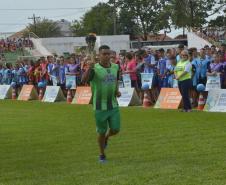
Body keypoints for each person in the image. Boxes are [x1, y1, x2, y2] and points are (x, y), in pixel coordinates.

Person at [82, 45, 121, 163]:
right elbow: (84, 80)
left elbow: (116, 80)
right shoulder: (95, 68)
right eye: (104, 54)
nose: (107, 56)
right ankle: (102, 154)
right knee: (101, 132)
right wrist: (89, 68)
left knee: (115, 129)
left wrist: (117, 90)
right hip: (99, 106)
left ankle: (107, 138)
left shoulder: (115, 67)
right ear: (99, 55)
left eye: (109, 54)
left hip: (113, 105)